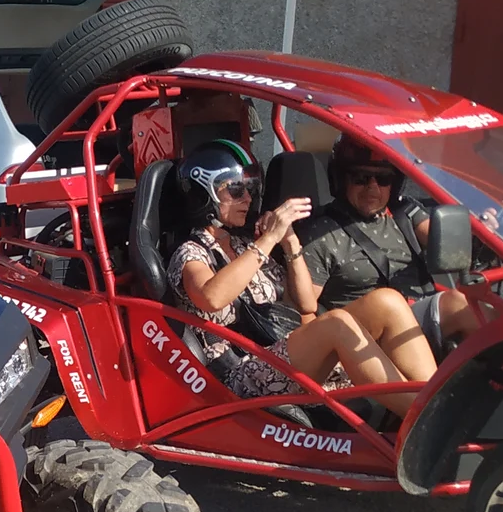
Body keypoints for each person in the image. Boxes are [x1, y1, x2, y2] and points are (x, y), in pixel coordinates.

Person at [169, 142, 437, 403]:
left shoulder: (243, 245)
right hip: (240, 371)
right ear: (205, 193)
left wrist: (289, 240)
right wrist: (267, 240)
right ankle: (425, 420)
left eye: (250, 188)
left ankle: (435, 400)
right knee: (336, 324)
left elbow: (306, 303)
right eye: (236, 190)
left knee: (386, 301)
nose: (248, 198)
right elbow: (211, 297)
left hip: (281, 348)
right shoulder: (191, 252)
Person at [295, 136, 476, 353]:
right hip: (367, 335)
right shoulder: (322, 232)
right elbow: (304, 310)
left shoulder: (405, 212)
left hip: (418, 316)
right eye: (361, 178)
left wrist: (480, 240)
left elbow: (447, 242)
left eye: (383, 179)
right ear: (341, 180)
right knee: (457, 304)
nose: (373, 187)